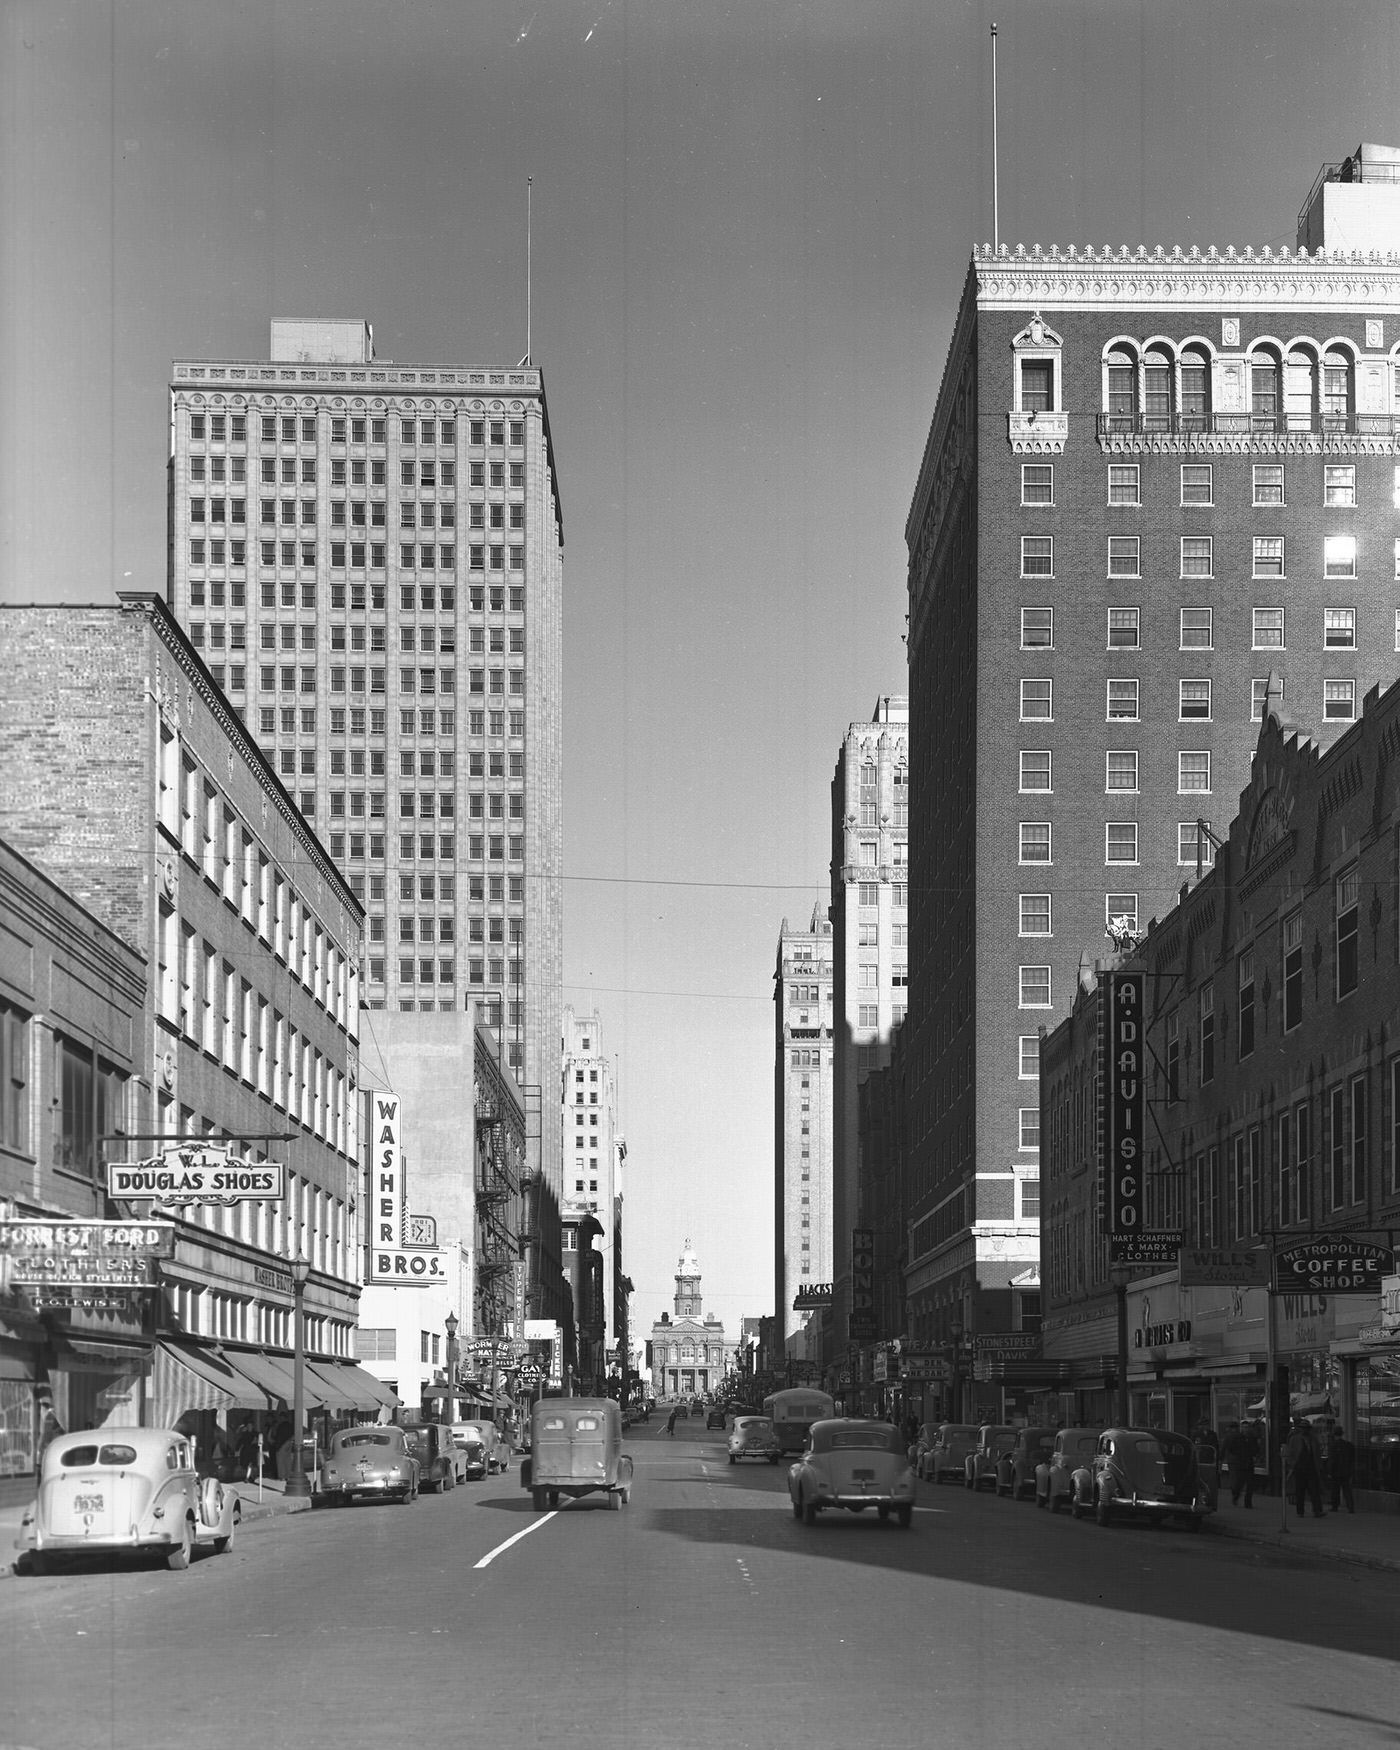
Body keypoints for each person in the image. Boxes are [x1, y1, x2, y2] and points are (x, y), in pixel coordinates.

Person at [1285, 1416, 1325, 1519]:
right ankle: (1300, 1511)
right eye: (1302, 1428)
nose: (1304, 1430)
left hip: (1311, 1468)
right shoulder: (1294, 1439)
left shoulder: (1313, 1439)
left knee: (1314, 1490)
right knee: (1300, 1491)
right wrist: (1293, 1464)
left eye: (1306, 1428)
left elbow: (1317, 1453)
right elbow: (1290, 1453)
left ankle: (1317, 1510)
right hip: (1299, 1468)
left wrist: (1319, 1465)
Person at [1221, 1420, 1258, 1508]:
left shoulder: (1251, 1437)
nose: (1246, 1429)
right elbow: (1229, 1448)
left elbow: (1256, 1448)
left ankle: (1247, 1502)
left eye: (1247, 1427)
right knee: (1239, 1483)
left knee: (1249, 1483)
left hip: (1248, 1462)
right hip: (1239, 1463)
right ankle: (1236, 1496)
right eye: (1244, 1427)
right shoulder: (1237, 1437)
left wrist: (1254, 1454)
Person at [1325, 1427, 1356, 1514]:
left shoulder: (1333, 1445)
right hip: (1346, 1471)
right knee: (1347, 1489)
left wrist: (1329, 1471)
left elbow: (1332, 1460)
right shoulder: (1349, 1445)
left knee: (1335, 1490)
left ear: (1334, 1434)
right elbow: (1352, 1459)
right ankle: (1350, 1506)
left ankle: (1335, 1506)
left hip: (1336, 1471)